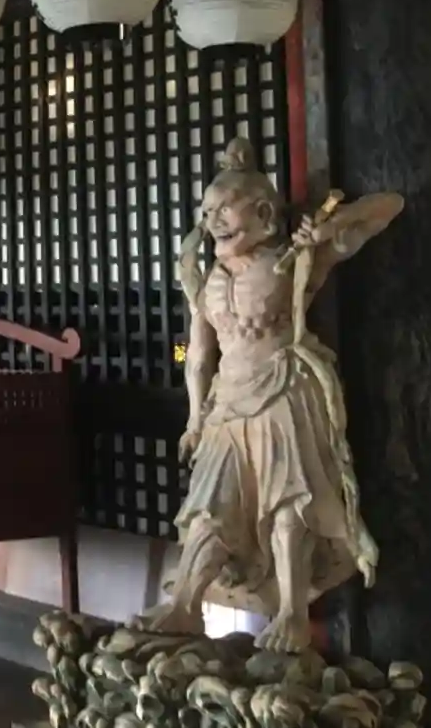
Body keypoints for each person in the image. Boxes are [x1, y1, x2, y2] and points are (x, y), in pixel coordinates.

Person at [134, 138, 403, 652]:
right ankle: (186, 604)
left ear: (262, 214)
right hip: (226, 401)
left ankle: (292, 614)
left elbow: (388, 206)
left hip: (283, 389)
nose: (213, 220)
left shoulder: (294, 260)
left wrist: (329, 229)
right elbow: (198, 355)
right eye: (207, 212)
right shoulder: (207, 281)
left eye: (225, 209)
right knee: (209, 506)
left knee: (290, 504)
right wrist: (194, 420)